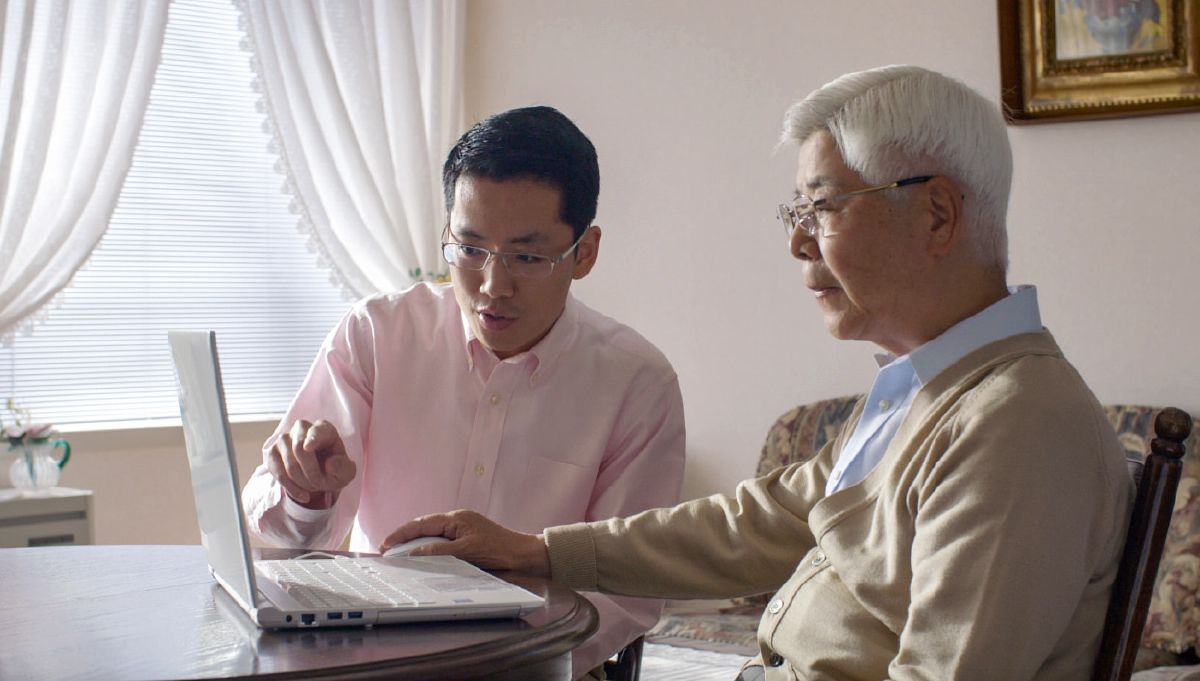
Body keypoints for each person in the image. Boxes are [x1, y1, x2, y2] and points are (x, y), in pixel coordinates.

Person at [381, 66, 1133, 681]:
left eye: (825, 206)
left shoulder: (1018, 424)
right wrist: (537, 550)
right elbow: (764, 519)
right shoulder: (929, 388)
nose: (799, 242)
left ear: (937, 214)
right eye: (795, 212)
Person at [241, 106, 686, 679]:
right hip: (374, 651)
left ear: (585, 252)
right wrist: (307, 497)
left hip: (537, 660)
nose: (492, 287)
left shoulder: (636, 383)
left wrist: (508, 662)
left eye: (527, 256)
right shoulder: (377, 333)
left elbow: (628, 589)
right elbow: (283, 545)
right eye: (470, 249)